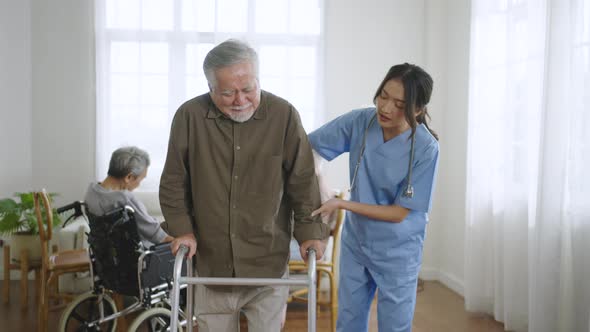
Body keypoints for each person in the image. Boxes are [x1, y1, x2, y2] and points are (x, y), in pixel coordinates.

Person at [160, 39, 329, 332]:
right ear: (210, 88)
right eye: (228, 92)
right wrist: (182, 230)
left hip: (268, 263)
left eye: (248, 89)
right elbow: (174, 181)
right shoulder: (189, 117)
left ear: (258, 80)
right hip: (212, 265)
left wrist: (310, 233)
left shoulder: (283, 115)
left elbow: (302, 181)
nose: (240, 100)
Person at [309, 63, 440, 332]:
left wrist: (341, 203)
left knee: (394, 327)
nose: (386, 108)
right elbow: (307, 148)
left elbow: (400, 212)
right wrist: (322, 183)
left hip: (398, 249)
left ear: (418, 109)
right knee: (349, 323)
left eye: (400, 104)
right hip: (357, 242)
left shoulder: (426, 148)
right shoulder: (360, 122)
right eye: (384, 96)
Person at [84, 146, 173, 247]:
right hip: (139, 256)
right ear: (129, 177)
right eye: (141, 179)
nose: (139, 184)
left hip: (104, 256)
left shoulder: (91, 190)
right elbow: (159, 236)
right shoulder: (125, 200)